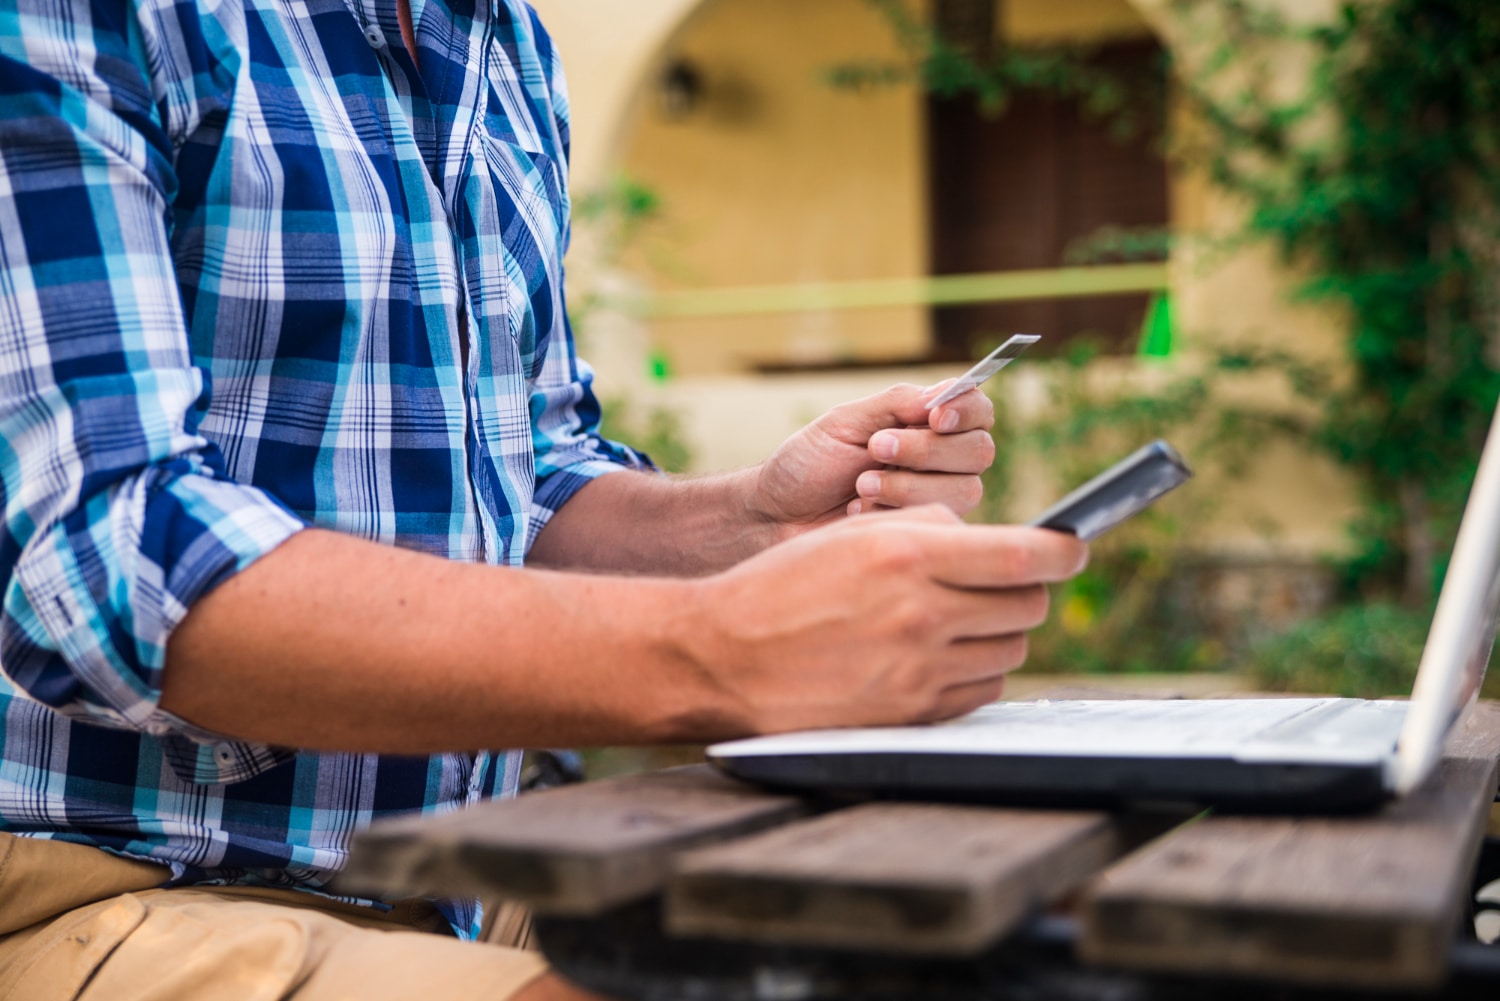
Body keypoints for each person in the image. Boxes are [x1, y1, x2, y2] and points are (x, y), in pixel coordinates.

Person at [0, 0, 1088, 996]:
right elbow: (103, 569)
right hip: (100, 882)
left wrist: (758, 526)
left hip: (461, 873)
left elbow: (523, 481)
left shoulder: (502, 39)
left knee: (986, 952)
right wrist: (718, 647)